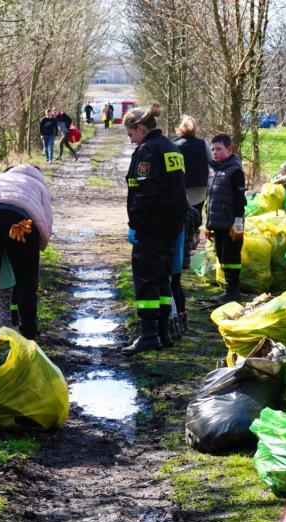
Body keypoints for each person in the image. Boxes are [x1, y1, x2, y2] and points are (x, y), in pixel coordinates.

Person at [121, 101, 188, 355]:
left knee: (146, 279)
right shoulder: (172, 148)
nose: (130, 141)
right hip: (172, 226)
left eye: (130, 135)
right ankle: (162, 332)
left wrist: (135, 224)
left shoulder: (148, 151)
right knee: (162, 279)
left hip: (151, 227)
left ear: (139, 128)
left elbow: (144, 193)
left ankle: (148, 334)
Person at [0, 164, 53, 338]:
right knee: (26, 285)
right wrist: (37, 246)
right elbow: (46, 221)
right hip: (20, 222)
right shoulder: (38, 184)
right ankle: (29, 338)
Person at [172, 115, 210, 332]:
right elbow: (210, 162)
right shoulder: (203, 144)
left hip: (183, 188)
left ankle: (185, 244)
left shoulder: (175, 146)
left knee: (184, 218)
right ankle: (194, 236)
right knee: (196, 216)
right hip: (200, 189)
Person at [205, 133, 246, 304]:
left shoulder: (234, 171)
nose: (215, 152)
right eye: (213, 149)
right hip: (218, 223)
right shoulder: (215, 170)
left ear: (229, 150)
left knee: (231, 258)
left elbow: (239, 200)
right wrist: (208, 224)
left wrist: (237, 224)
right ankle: (228, 291)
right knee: (222, 256)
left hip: (231, 223)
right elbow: (211, 198)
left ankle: (233, 291)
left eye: (219, 149)